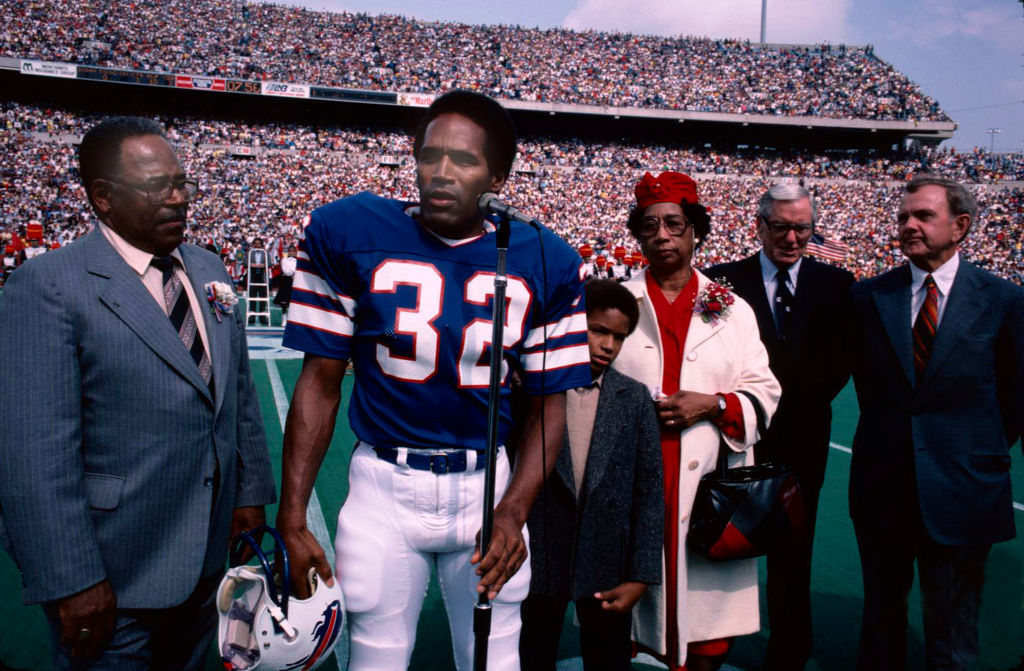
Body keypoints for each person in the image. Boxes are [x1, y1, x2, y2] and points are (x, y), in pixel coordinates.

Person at [276, 90, 591, 671]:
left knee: (494, 659)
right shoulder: (347, 229)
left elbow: (551, 406)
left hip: (485, 486)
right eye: (429, 155)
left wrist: (513, 511)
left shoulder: (546, 258)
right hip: (383, 485)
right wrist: (292, 516)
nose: (441, 173)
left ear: (498, 174)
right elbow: (320, 383)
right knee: (374, 658)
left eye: (465, 160)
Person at [0, 116, 276, 669]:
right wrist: (73, 578)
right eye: (158, 188)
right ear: (102, 197)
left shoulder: (206, 267)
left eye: (182, 184)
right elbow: (33, 456)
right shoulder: (49, 285)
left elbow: (237, 394)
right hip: (114, 572)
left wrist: (248, 494)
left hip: (206, 559)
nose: (178, 200)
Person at [848, 173, 1024, 671]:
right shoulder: (870, 297)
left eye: (923, 215)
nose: (908, 225)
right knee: (881, 620)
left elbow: (1014, 399)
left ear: (960, 225)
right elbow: (865, 383)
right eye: (903, 216)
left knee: (952, 630)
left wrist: (964, 451)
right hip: (883, 485)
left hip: (964, 487)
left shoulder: (1004, 299)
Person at [611, 171, 780, 671]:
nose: (661, 235)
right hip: (632, 478)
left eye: (673, 223)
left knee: (706, 630)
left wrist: (713, 404)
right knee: (623, 619)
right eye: (649, 226)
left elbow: (765, 390)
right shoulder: (616, 302)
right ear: (638, 235)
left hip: (709, 484)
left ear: (694, 230)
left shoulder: (732, 310)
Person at [705, 182, 854, 671]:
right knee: (723, 547)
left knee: (795, 553)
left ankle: (790, 652)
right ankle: (709, 644)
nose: (792, 239)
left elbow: (840, 362)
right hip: (736, 439)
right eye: (782, 227)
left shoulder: (837, 284)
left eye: (802, 228)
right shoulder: (721, 283)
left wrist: (784, 404)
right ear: (760, 226)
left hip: (805, 442)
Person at [520, 278, 663, 671]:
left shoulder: (633, 398)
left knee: (608, 659)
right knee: (530, 653)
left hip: (607, 564)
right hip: (538, 557)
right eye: (598, 330)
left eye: (619, 337)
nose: (608, 346)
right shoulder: (530, 386)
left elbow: (650, 492)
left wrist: (641, 575)